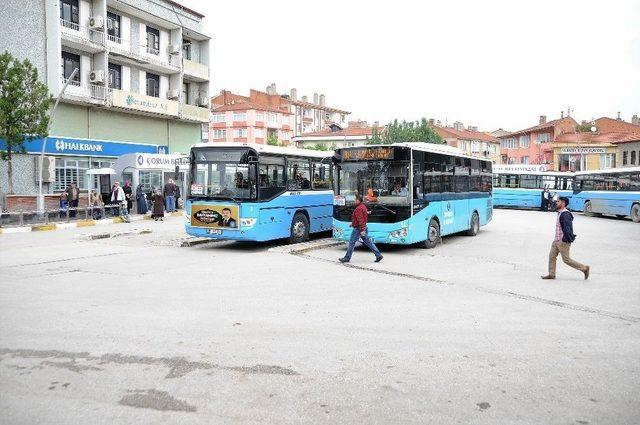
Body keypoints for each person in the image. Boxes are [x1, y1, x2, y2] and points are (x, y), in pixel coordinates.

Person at [541, 196, 590, 280]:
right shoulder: (560, 212)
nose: (556, 203)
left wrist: (565, 239)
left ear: (563, 203)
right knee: (552, 256)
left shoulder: (566, 214)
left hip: (562, 241)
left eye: (558, 201)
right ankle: (551, 274)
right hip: (556, 240)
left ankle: (584, 268)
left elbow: (568, 229)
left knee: (566, 260)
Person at [339, 193, 383, 263]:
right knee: (368, 242)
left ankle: (347, 258)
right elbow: (361, 218)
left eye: (355, 199)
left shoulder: (359, 208)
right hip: (362, 227)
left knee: (351, 243)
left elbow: (360, 220)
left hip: (358, 229)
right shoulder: (363, 206)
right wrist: (353, 224)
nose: (354, 201)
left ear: (358, 200)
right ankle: (378, 255)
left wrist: (362, 230)